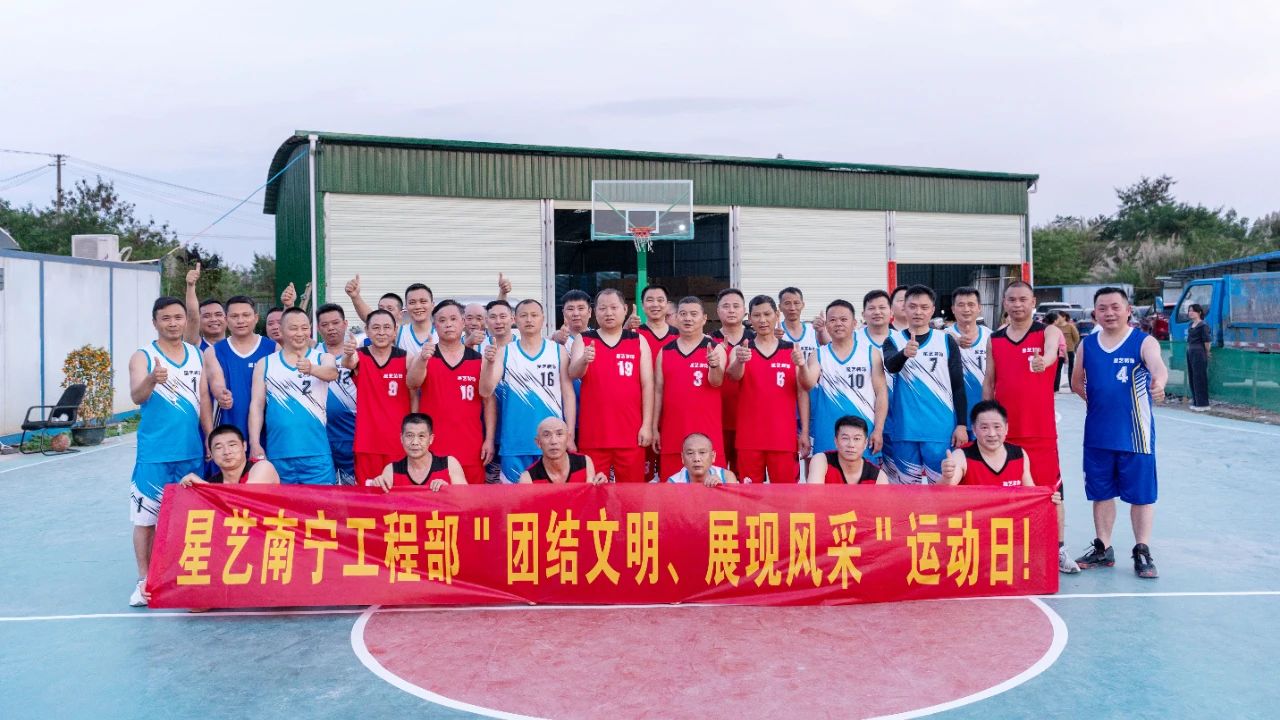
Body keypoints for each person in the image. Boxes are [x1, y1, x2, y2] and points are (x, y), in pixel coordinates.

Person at [1072, 286, 1168, 579]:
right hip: (1098, 434)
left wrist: (1159, 383)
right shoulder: (1087, 345)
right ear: (1095, 313)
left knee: (1141, 495)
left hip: (1135, 435)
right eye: (1103, 308)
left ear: (1128, 311)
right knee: (1100, 493)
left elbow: (1158, 367)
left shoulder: (1143, 341)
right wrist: (1101, 404)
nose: (1109, 313)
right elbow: (1076, 383)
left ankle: (1142, 549)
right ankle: (1103, 547)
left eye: (1116, 307)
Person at [982, 281, 1078, 573]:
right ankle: (1002, 549)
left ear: (1033, 302)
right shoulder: (995, 339)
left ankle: (1057, 549)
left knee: (1050, 491)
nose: (1017, 304)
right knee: (1002, 494)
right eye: (1012, 299)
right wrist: (984, 419)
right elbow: (989, 380)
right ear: (1004, 303)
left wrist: (1043, 362)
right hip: (1003, 435)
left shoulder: (1047, 332)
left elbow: (1049, 353)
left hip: (1039, 431)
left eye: (1023, 299)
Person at [127, 297, 209, 606]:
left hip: (191, 452)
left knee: (192, 519)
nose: (173, 323)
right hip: (155, 454)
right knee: (146, 520)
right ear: (155, 322)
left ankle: (187, 576)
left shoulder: (196, 354)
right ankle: (144, 581)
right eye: (166, 318)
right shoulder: (143, 356)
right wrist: (152, 378)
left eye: (178, 317)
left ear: (185, 320)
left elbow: (204, 399)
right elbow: (136, 396)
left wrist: (209, 437)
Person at [480, 299, 576, 483]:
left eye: (534, 315)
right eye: (524, 315)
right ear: (515, 319)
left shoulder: (558, 351)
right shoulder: (504, 352)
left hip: (552, 443)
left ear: (543, 319)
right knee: (515, 498)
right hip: (514, 442)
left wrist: (569, 434)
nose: (529, 319)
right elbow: (485, 391)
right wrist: (489, 364)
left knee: (552, 498)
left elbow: (568, 395)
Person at [883, 285, 968, 484]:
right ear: (904, 308)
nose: (918, 312)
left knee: (942, 488)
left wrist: (962, 425)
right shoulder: (893, 340)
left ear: (932, 310)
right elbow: (891, 365)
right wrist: (904, 354)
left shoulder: (946, 341)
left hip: (940, 429)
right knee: (907, 490)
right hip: (905, 430)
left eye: (924, 307)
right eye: (913, 306)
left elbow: (958, 386)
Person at [728, 295, 817, 483]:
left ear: (777, 315)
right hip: (749, 439)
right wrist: (740, 361)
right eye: (756, 315)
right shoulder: (740, 350)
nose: (762, 320)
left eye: (767, 314)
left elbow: (803, 391)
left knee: (785, 494)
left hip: (783, 438)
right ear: (749, 318)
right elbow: (733, 375)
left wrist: (804, 431)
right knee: (749, 495)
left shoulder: (791, 350)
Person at [569, 288, 654, 483]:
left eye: (614, 308)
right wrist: (584, 360)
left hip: (631, 434)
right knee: (594, 491)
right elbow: (573, 373)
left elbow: (648, 385)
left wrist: (647, 425)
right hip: (594, 435)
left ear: (625, 309)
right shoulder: (585, 339)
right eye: (602, 308)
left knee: (632, 492)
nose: (608, 313)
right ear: (594, 312)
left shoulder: (637, 340)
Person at [249, 308, 339, 485]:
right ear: (281, 330)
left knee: (321, 502)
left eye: (304, 328)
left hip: (316, 453)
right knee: (280, 503)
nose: (300, 333)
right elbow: (256, 406)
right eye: (293, 328)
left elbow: (332, 373)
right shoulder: (265, 363)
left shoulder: (322, 358)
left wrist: (311, 369)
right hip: (279, 454)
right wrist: (254, 443)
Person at [408, 300, 494, 484]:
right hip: (433, 448)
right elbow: (412, 384)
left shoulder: (478, 360)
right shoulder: (426, 356)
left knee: (472, 498)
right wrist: (422, 359)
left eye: (453, 319)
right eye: (442, 320)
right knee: (433, 498)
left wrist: (489, 439)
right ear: (435, 325)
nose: (448, 324)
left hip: (470, 446)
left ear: (463, 322)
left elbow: (488, 400)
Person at [654, 296, 728, 481]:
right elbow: (658, 391)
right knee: (672, 490)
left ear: (704, 318)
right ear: (676, 317)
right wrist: (654, 427)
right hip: (673, 434)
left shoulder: (715, 349)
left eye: (694, 314)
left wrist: (714, 366)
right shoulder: (665, 351)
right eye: (683, 314)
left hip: (707, 434)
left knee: (711, 490)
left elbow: (717, 382)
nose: (688, 318)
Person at [340, 308, 411, 484]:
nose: (381, 332)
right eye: (376, 327)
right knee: (368, 493)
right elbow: (348, 363)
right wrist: (348, 353)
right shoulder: (360, 355)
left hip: (398, 441)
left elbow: (415, 393)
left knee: (399, 493)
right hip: (367, 442)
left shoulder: (407, 358)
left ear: (395, 330)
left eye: (387, 327)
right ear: (367, 330)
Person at [202, 296, 276, 447]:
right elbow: (216, 382)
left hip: (268, 430)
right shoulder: (213, 352)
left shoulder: (273, 349)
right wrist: (221, 394)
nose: (240, 320)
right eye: (234, 316)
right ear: (226, 319)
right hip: (228, 428)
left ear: (256, 318)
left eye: (246, 315)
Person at [940, 401, 1033, 487]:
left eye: (997, 427)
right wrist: (946, 478)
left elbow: (1032, 494)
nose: (992, 434)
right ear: (974, 430)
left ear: (1006, 428)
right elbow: (943, 491)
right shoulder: (961, 456)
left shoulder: (1019, 454)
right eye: (984, 428)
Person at [710, 288, 754, 471]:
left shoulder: (756, 340)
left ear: (744, 311)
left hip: (749, 420)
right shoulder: (708, 341)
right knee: (717, 474)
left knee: (744, 475)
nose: (731, 310)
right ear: (717, 311)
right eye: (726, 306)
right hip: (716, 419)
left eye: (736, 306)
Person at [315, 303, 358, 484]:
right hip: (321, 436)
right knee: (325, 491)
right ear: (318, 328)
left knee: (353, 489)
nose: (331, 328)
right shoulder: (313, 354)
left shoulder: (359, 352)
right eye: (325, 325)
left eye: (335, 323)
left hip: (353, 434)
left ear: (345, 324)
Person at [369, 413, 467, 491]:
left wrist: (448, 490)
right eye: (410, 435)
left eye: (421, 436)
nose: (415, 442)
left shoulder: (449, 464)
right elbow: (383, 504)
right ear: (401, 438)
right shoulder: (391, 470)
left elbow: (466, 500)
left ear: (431, 439)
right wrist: (378, 486)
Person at [857, 290, 900, 467]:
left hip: (899, 415)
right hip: (866, 415)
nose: (877, 312)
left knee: (897, 472)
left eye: (882, 307)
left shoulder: (902, 340)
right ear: (863, 314)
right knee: (870, 471)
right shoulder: (853, 340)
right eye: (871, 308)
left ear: (891, 312)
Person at [945, 286, 991, 440]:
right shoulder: (942, 337)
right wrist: (954, 341)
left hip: (983, 412)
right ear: (953, 309)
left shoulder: (991, 337)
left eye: (971, 304)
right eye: (961, 305)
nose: (966, 309)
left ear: (979, 308)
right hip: (953, 415)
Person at [481, 299, 516, 483]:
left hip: (516, 430)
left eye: (503, 316)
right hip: (488, 432)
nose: (498, 321)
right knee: (493, 486)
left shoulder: (524, 345)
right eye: (493, 317)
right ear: (486, 321)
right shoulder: (477, 346)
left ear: (512, 319)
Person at [179, 425, 280, 486]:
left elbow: (246, 497)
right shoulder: (213, 483)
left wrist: (204, 486)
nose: (227, 452)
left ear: (244, 446)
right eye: (219, 447)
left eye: (232, 445)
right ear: (211, 454)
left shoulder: (263, 467)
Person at [517, 418, 608, 484]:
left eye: (559, 434)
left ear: (568, 438)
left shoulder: (584, 462)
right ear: (538, 442)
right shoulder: (528, 478)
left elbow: (591, 498)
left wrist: (599, 485)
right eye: (546, 435)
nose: (554, 441)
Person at [806, 416, 887, 484]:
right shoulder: (821, 460)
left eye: (857, 439)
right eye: (845, 438)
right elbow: (814, 495)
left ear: (865, 443)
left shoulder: (878, 476)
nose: (851, 444)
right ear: (836, 441)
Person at [181, 262, 227, 352]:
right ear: (199, 321)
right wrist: (190, 286)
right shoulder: (194, 345)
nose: (213, 319)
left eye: (218, 314)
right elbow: (192, 317)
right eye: (207, 316)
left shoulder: (237, 346)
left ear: (227, 319)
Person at [666, 432, 739, 485]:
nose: (696, 459)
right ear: (682, 457)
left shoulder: (726, 477)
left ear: (713, 456)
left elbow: (733, 502)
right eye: (690, 453)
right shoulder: (673, 483)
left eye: (702, 452)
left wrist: (721, 489)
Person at [777, 286, 823, 359]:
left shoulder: (814, 330)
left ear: (802, 305)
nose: (792, 308)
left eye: (796, 303)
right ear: (780, 307)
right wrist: (771, 340)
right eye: (787, 303)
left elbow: (833, 348)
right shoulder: (774, 331)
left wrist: (823, 330)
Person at [1186, 303, 1212, 411]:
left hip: (1199, 352)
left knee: (1199, 377)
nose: (1190, 313)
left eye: (1193, 311)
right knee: (1192, 377)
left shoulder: (1203, 325)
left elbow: (1207, 341)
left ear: (1199, 312)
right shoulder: (1190, 325)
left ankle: (1203, 404)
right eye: (1189, 311)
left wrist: (1207, 352)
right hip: (1190, 351)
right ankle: (1196, 402)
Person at [1057, 312, 1082, 393]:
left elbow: (1076, 338)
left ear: (1064, 317)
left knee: (1071, 369)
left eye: (1059, 317)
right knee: (1058, 369)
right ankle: (1056, 388)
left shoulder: (1070, 326)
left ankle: (1072, 388)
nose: (1058, 318)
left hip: (1069, 350)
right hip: (1058, 351)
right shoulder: (1056, 327)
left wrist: (1072, 345)